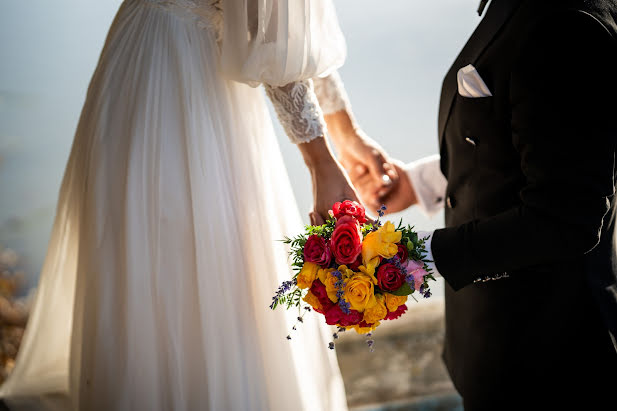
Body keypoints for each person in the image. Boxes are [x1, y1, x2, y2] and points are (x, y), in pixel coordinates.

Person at [0, 1, 394, 410]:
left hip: (142, 55)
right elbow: (267, 23)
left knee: (152, 282)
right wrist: (319, 162)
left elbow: (292, 24)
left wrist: (345, 133)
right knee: (200, 282)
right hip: (184, 87)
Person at [344, 0, 617, 409]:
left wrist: (413, 257)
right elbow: (526, 140)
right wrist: (420, 184)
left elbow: (565, 216)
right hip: (493, 349)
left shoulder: (568, 25)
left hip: (551, 364)